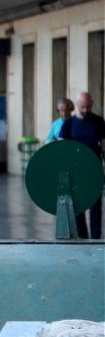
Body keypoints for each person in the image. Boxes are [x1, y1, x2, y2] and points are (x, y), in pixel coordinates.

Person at [60, 91, 105, 239]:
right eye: (82, 107)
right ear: (77, 106)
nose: (85, 110)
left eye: (88, 107)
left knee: (96, 206)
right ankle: (83, 237)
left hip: (94, 168)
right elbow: (61, 148)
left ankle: (96, 237)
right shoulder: (69, 123)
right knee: (78, 206)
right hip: (75, 170)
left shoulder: (99, 121)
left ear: (92, 104)